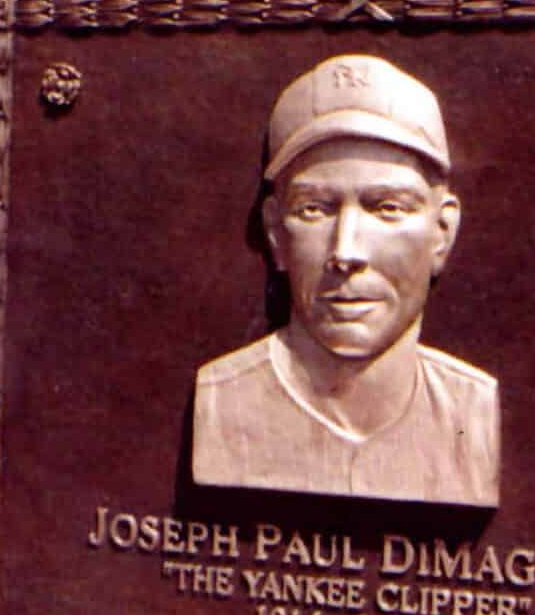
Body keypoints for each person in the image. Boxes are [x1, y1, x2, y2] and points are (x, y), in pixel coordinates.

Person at [191, 53, 498, 507]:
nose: (346, 251)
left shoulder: (471, 412)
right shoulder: (221, 401)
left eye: (386, 208)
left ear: (442, 232)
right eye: (315, 208)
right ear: (275, 232)